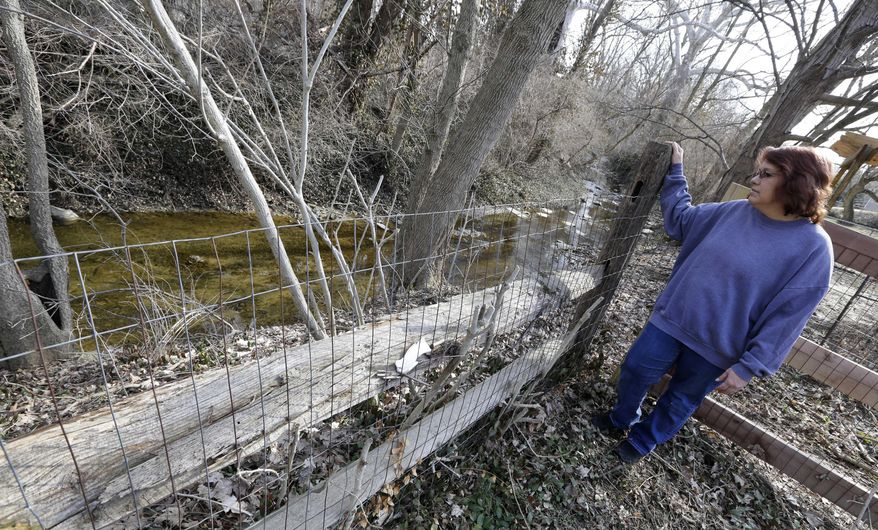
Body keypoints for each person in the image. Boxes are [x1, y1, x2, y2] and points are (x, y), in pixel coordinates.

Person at [591, 141, 834, 464]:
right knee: (635, 368)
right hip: (672, 320)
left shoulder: (814, 247)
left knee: (680, 399)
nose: (755, 179)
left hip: (720, 347)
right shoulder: (735, 212)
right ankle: (622, 418)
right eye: (757, 172)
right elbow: (680, 219)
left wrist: (749, 367)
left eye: (766, 174)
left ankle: (641, 442)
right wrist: (675, 170)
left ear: (796, 182)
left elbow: (788, 318)